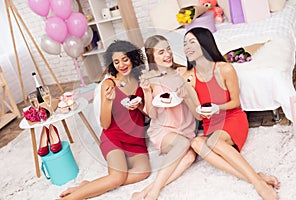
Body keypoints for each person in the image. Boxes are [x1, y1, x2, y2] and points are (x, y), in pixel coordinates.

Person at [182, 27, 280, 200]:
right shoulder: (188, 75)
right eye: (184, 43)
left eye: (192, 42)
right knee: (196, 143)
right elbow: (198, 115)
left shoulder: (225, 69)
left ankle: (259, 186)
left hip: (232, 118)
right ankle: (256, 177)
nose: (187, 47)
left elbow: (235, 102)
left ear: (205, 44)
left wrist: (216, 108)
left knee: (211, 141)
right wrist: (188, 90)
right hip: (210, 124)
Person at [59, 40, 151, 200]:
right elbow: (105, 124)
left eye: (125, 59)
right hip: (114, 137)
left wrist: (140, 104)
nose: (121, 65)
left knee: (143, 172)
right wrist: (108, 101)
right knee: (117, 177)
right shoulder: (108, 84)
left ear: (132, 58)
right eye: (116, 61)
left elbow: (147, 113)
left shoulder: (140, 81)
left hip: (136, 139)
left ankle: (88, 185)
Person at [131, 35, 197, 200]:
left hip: (186, 128)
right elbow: (152, 114)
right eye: (161, 52)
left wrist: (187, 94)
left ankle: (145, 191)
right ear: (152, 57)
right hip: (164, 130)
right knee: (182, 144)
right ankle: (154, 193)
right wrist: (146, 92)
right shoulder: (148, 79)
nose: (167, 54)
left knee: (189, 157)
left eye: (168, 49)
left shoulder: (180, 72)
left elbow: (196, 110)